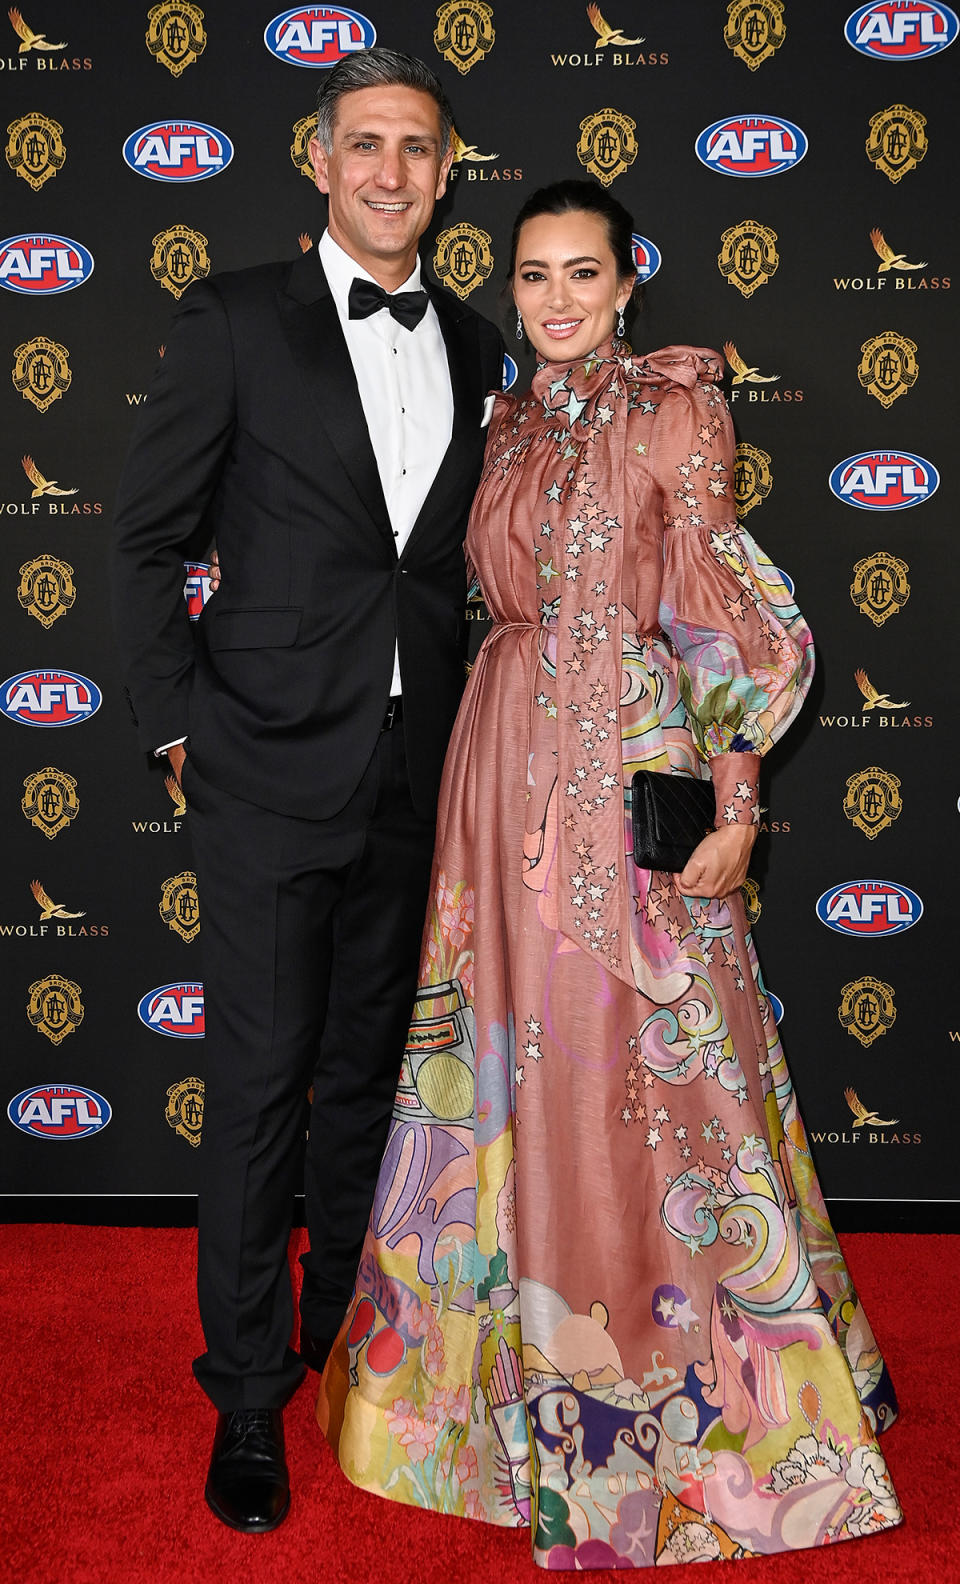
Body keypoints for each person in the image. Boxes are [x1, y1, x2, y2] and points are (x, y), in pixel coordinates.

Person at [316, 180, 902, 1569]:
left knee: (656, 1073)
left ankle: (694, 1409)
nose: (560, 299)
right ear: (510, 288)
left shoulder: (679, 411)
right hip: (499, 762)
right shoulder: (503, 423)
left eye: (585, 273)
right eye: (534, 276)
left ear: (629, 282)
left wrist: (740, 804)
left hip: (630, 772)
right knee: (499, 1068)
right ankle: (487, 1400)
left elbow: (727, 613)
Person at [111, 48, 503, 1534]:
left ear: (447, 169)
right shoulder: (233, 318)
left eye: (416, 147)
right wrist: (173, 731)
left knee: (369, 1098)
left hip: (415, 776)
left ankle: (351, 1351)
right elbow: (142, 539)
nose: (391, 170)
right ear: (319, 162)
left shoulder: (474, 344)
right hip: (264, 770)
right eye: (366, 145)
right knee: (261, 1101)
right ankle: (251, 1403)